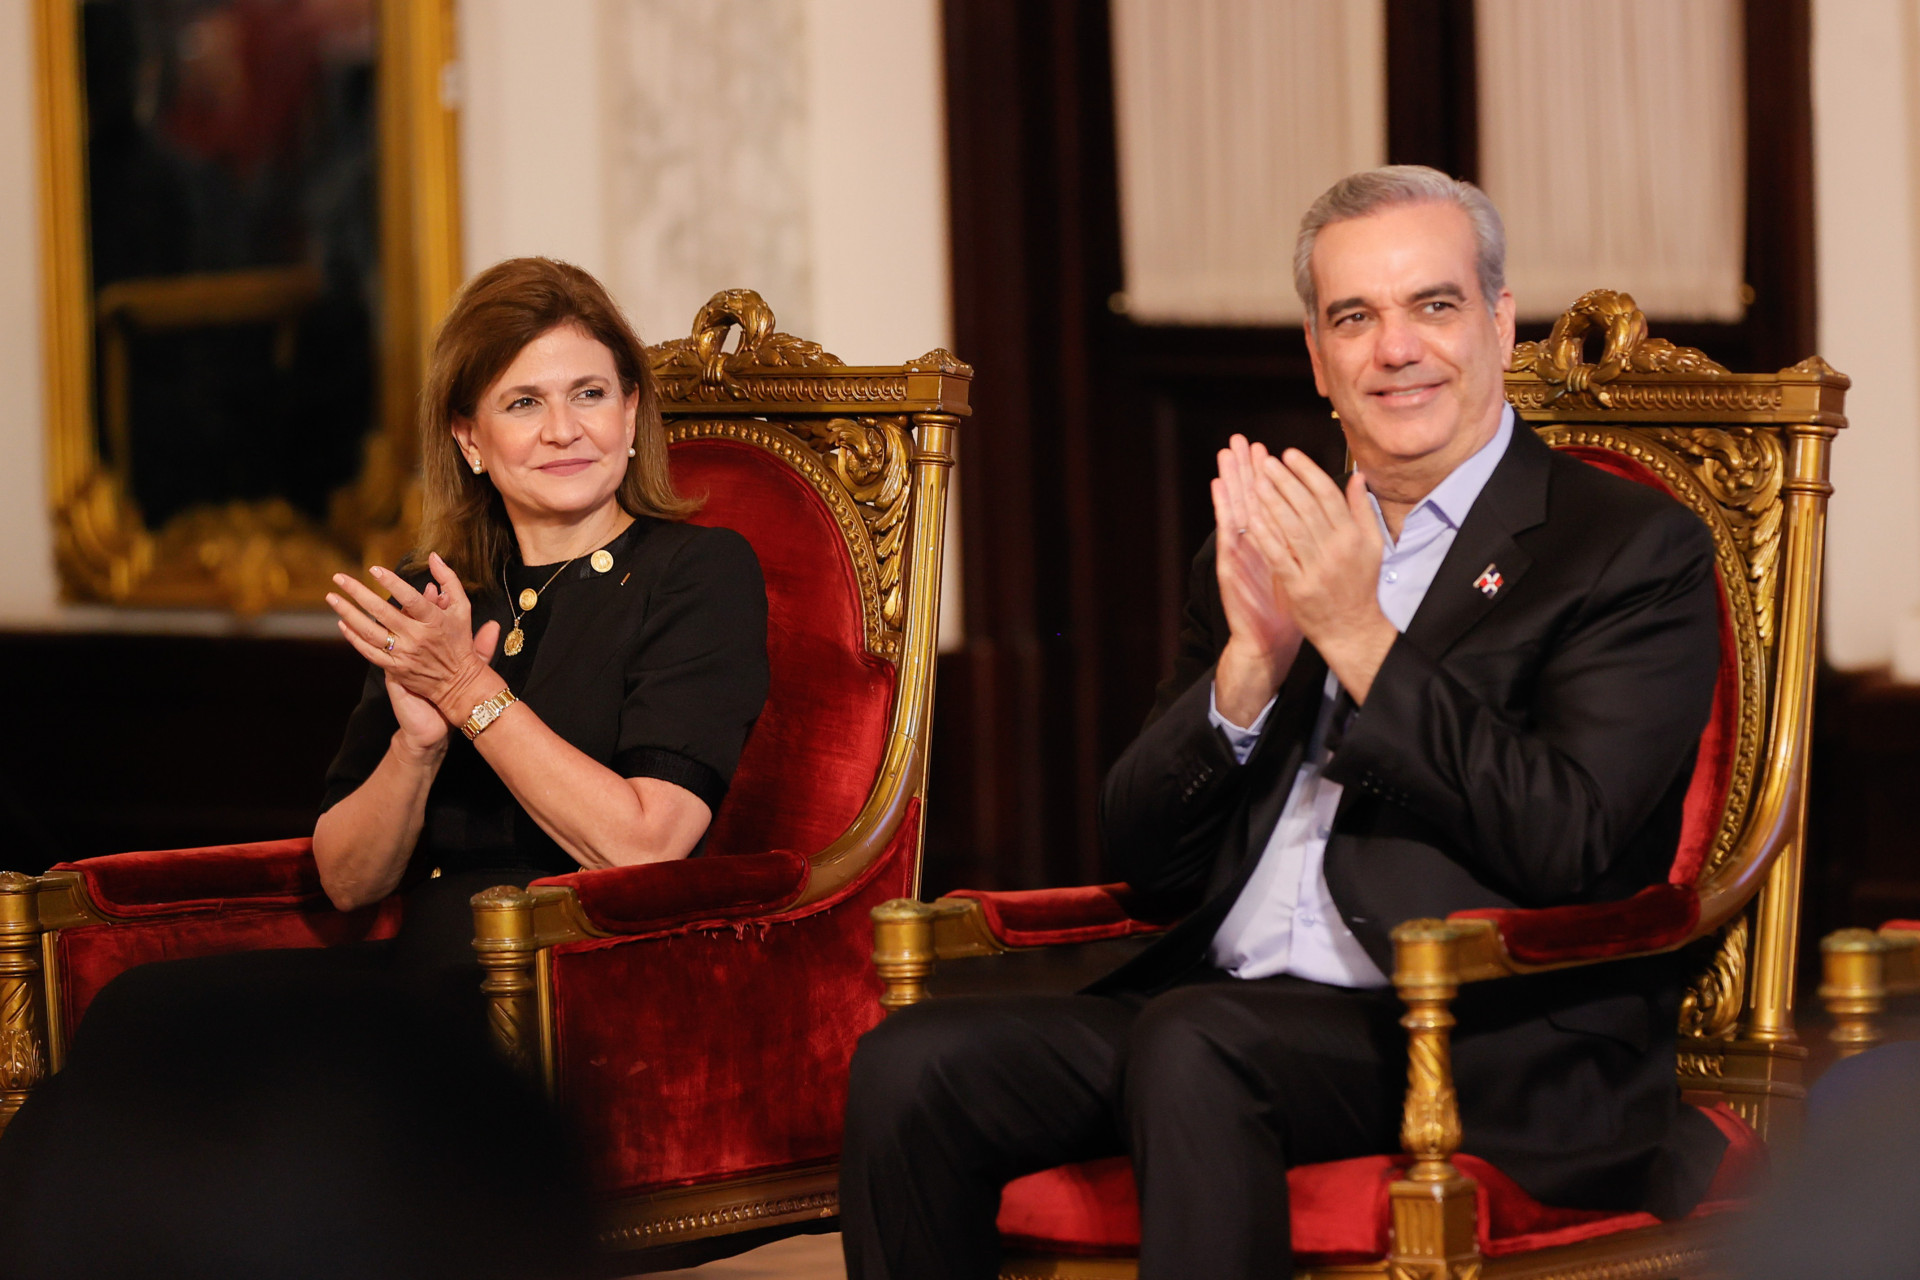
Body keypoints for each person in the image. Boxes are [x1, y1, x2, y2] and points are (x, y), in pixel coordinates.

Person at [839, 166, 1727, 1280]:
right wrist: (1249, 668)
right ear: (1317, 355)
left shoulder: (1626, 547)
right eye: (1354, 317)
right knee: (911, 1063)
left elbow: (1572, 837)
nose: (1394, 348)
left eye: (1434, 305)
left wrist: (1358, 638)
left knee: (1196, 1043)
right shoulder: (1271, 542)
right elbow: (1144, 855)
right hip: (1227, 1006)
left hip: (1474, 1031)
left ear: (1500, 324)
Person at [0, 257, 770, 1280]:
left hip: (568, 975)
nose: (564, 429)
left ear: (632, 413)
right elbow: (349, 874)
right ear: (470, 439)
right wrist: (416, 742)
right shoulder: (437, 597)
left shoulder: (698, 573)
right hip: (416, 966)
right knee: (141, 1016)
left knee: (269, 1102)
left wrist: (469, 690)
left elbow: (646, 840)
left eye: (590, 393)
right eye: (524, 403)